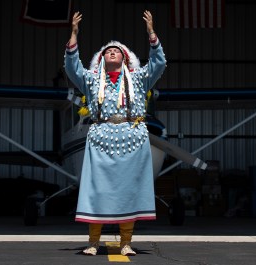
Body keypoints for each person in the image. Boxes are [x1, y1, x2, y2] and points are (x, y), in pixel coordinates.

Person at [64, 10, 166, 256]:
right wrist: (74, 34)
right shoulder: (90, 81)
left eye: (117, 51)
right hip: (100, 139)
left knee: (129, 192)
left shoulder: (140, 79)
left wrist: (151, 33)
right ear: (100, 59)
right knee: (97, 191)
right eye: (108, 50)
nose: (112, 51)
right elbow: (72, 67)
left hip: (133, 139)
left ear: (125, 59)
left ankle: (125, 243)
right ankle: (92, 242)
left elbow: (159, 64)